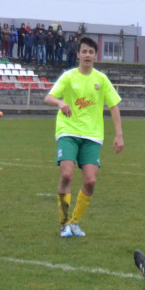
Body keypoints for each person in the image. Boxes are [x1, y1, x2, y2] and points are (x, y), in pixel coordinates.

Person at [43, 35, 123, 237]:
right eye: (84, 51)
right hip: (68, 131)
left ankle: (75, 222)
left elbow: (114, 106)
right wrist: (60, 103)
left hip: (92, 135)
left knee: (90, 181)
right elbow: (48, 97)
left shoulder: (101, 80)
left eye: (91, 52)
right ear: (78, 54)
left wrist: (119, 135)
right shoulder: (69, 77)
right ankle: (64, 223)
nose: (87, 55)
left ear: (95, 56)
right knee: (67, 174)